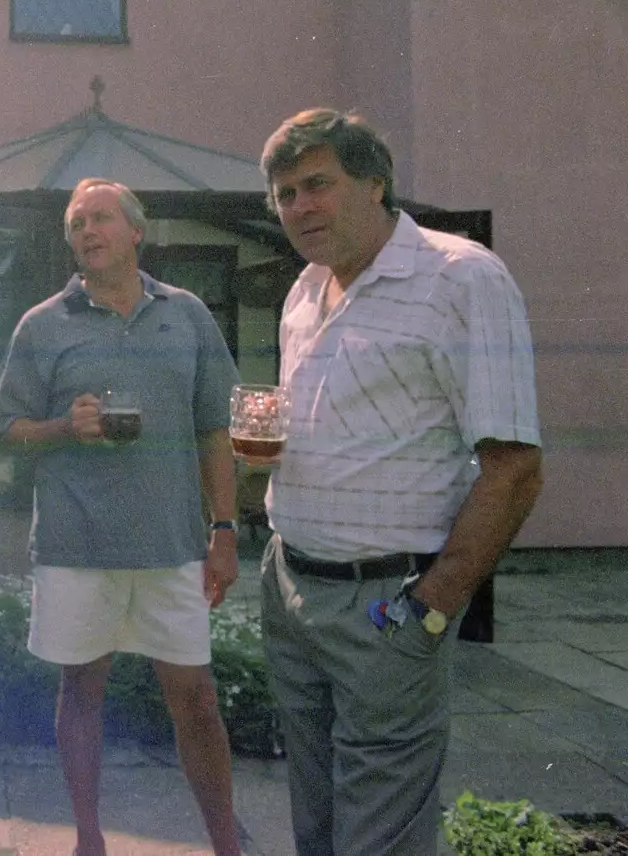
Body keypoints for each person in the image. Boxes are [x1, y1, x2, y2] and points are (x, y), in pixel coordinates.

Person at [255, 109, 543, 856]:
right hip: (291, 587)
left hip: (385, 603)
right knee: (316, 825)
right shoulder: (303, 294)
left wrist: (432, 608)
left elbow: (514, 466)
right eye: (285, 195)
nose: (300, 207)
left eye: (318, 184)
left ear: (376, 183)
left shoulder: (460, 277)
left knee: (378, 837)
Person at [0, 178, 244, 856]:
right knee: (82, 692)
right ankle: (89, 838)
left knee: (196, 702)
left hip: (171, 545)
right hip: (78, 544)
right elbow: (3, 429)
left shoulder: (186, 314)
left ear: (137, 231)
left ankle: (227, 846)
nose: (87, 232)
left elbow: (215, 430)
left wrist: (225, 531)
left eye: (101, 218)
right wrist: (60, 429)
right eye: (76, 223)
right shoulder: (43, 324)